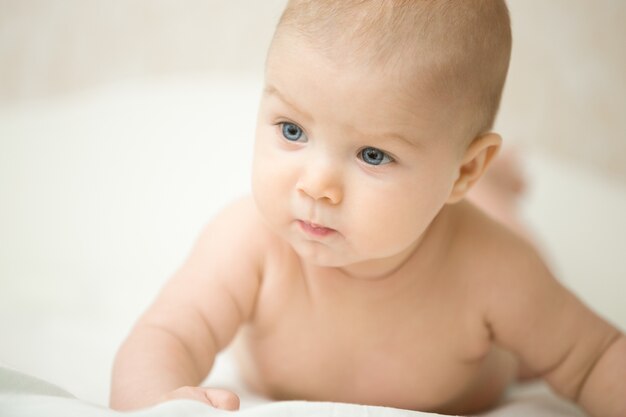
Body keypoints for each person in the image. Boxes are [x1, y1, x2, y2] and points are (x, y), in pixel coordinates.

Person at [110, 1, 626, 416]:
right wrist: (160, 402)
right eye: (293, 130)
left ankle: (499, 185)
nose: (316, 187)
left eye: (372, 155)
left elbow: (596, 357)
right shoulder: (249, 241)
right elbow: (165, 334)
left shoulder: (493, 269)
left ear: (464, 169)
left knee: (504, 228)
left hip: (469, 221)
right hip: (440, 194)